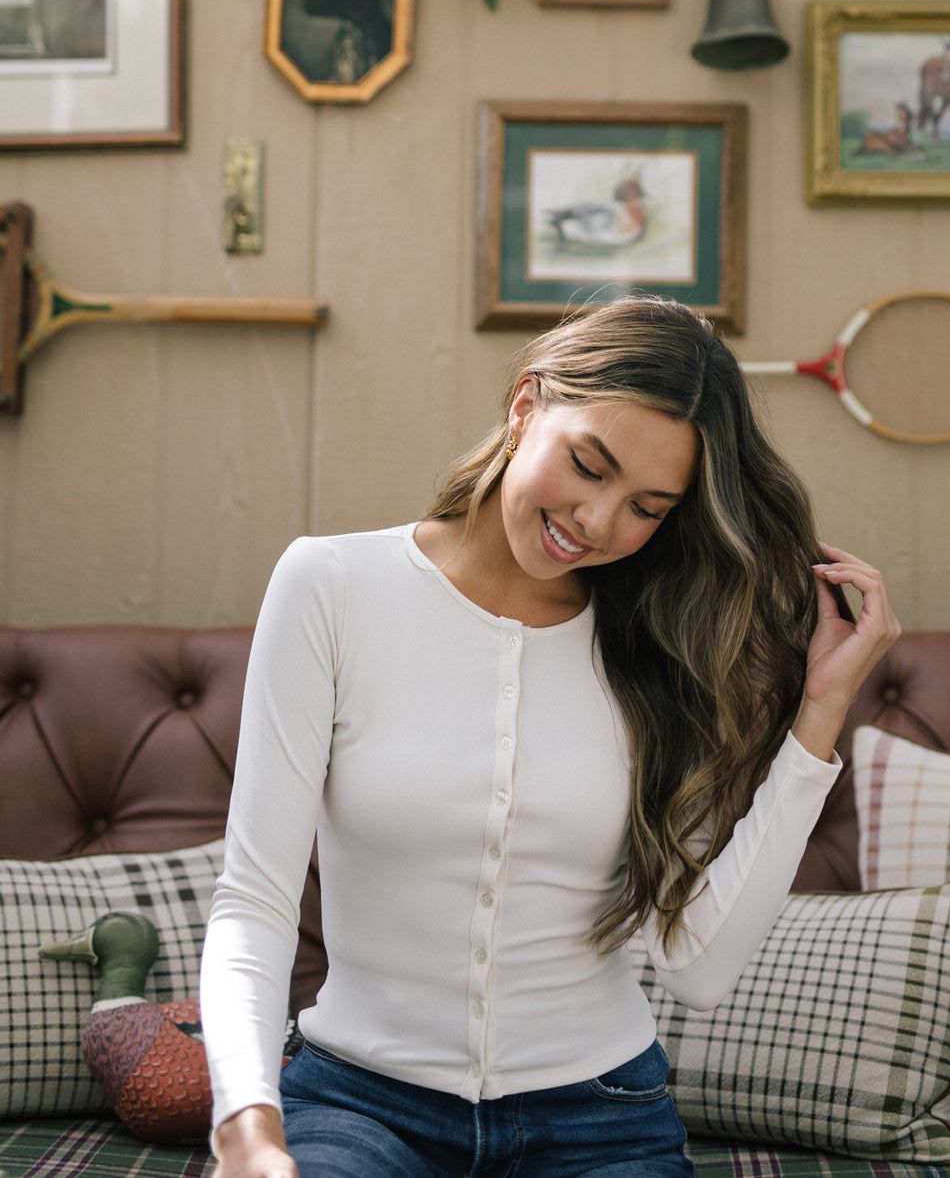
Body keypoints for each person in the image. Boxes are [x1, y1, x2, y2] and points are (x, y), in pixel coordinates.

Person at [200, 295, 900, 1178]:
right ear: (526, 405)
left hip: (601, 1120)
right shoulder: (331, 587)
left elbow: (698, 969)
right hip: (357, 1102)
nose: (600, 524)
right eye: (588, 465)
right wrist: (248, 1128)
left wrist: (820, 715)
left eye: (647, 506)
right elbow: (253, 902)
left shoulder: (666, 655)